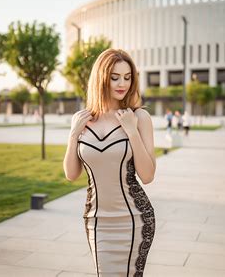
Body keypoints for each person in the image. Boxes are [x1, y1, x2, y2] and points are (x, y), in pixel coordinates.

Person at [63, 48, 156, 276]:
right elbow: (71, 174)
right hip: (96, 220)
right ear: (101, 78)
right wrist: (73, 135)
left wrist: (132, 131)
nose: (121, 83)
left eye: (127, 77)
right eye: (114, 77)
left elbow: (147, 175)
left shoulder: (139, 117)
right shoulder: (82, 119)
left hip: (134, 219)